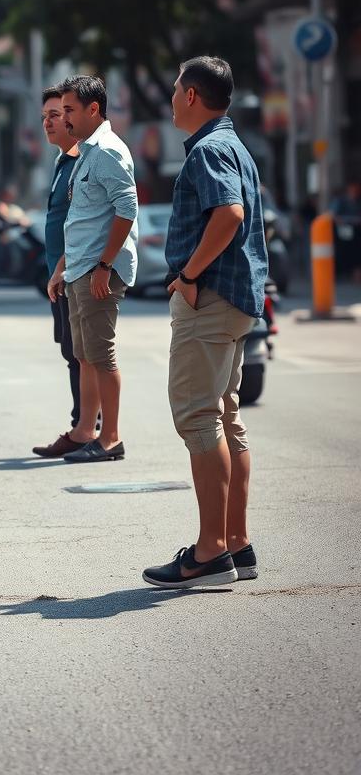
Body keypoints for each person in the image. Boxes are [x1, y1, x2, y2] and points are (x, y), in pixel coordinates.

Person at [143, 57, 268, 589]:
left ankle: (210, 551)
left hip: (212, 300)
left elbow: (229, 214)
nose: (171, 97)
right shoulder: (234, 145)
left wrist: (189, 274)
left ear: (192, 95)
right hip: (237, 300)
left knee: (198, 420)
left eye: (175, 88)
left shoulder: (209, 150)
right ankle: (236, 544)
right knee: (225, 418)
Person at [47, 75, 138, 463]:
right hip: (80, 269)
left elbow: (127, 209)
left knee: (102, 356)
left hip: (99, 271)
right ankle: (86, 431)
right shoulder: (85, 151)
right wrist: (62, 270)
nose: (64, 118)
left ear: (93, 109)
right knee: (84, 356)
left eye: (69, 110)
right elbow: (83, 221)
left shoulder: (107, 151)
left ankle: (111, 438)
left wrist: (104, 265)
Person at [32, 86, 85, 456]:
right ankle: (84, 424)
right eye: (45, 117)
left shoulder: (83, 161)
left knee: (84, 354)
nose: (49, 123)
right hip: (59, 276)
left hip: (74, 275)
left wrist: (64, 269)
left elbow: (84, 223)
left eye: (56, 114)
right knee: (71, 352)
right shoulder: (61, 162)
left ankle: (87, 427)